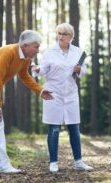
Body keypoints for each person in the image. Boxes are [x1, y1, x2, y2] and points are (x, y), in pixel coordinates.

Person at [0, 30, 53, 173]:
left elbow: (24, 76)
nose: (38, 50)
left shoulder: (26, 58)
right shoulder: (8, 52)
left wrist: (40, 90)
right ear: (25, 45)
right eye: (36, 46)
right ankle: (3, 164)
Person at [32, 23, 93, 173]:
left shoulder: (78, 52)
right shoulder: (50, 52)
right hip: (54, 93)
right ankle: (53, 162)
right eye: (59, 33)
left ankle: (78, 162)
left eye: (64, 34)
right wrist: (37, 69)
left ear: (71, 37)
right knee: (54, 128)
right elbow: (43, 70)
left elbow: (83, 70)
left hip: (71, 93)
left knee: (74, 128)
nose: (60, 36)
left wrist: (80, 70)